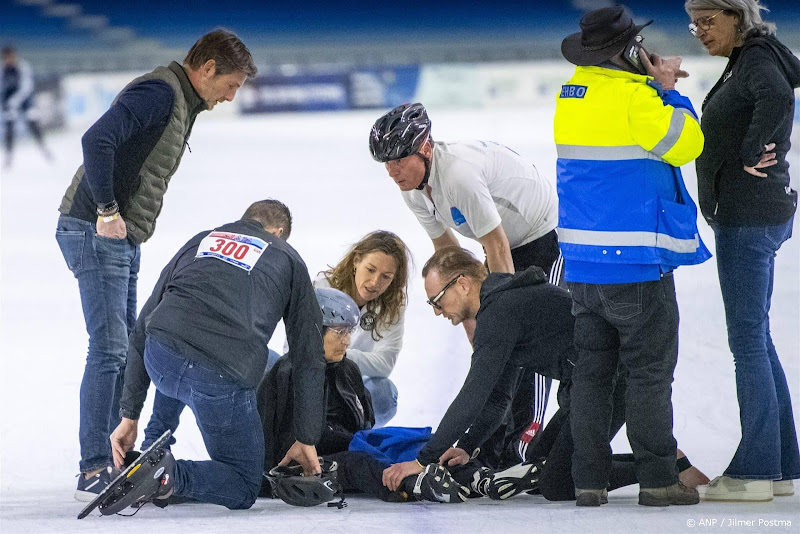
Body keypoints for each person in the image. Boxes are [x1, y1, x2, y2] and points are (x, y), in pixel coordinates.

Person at [55, 29, 257, 500]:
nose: (230, 97)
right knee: (108, 349)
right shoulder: (158, 93)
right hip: (94, 228)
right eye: (231, 84)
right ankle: (93, 466)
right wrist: (106, 210)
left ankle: (111, 456)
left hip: (119, 235)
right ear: (207, 68)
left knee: (125, 350)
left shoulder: (181, 102)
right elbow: (96, 139)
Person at [554, 5, 711, 507]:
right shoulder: (637, 100)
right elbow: (688, 144)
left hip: (581, 267)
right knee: (647, 375)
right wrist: (667, 89)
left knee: (593, 378)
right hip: (636, 265)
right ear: (627, 51)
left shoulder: (569, 94)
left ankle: (589, 481)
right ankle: (659, 480)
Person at [108, 199, 326, 511]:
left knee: (182, 341)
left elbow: (143, 326)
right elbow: (308, 355)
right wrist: (306, 436)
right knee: (243, 483)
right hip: (220, 376)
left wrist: (129, 416)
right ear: (278, 232)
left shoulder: (203, 239)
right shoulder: (287, 257)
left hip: (160, 358)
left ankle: (152, 458)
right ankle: (169, 475)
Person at [369, 107, 561, 455]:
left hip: (543, 235)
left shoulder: (458, 174)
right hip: (505, 241)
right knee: (496, 351)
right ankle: (494, 439)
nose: (392, 171)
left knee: (526, 339)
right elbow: (449, 259)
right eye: (386, 162)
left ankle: (522, 441)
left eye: (399, 159)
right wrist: (479, 334)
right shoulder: (412, 189)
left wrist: (493, 328)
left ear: (425, 148)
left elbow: (496, 245)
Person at [684, 0, 799, 501]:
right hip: (755, 215)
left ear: (736, 16)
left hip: (749, 218)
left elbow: (776, 99)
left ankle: (755, 472)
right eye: (694, 24)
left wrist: (757, 148)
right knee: (757, 338)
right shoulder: (749, 58)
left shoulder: (754, 58)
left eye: (709, 21)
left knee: (747, 341)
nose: (700, 32)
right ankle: (781, 465)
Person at [381, 247, 575, 493]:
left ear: (462, 284)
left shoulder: (499, 311)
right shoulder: (502, 304)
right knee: (539, 467)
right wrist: (466, 445)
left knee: (556, 481)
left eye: (437, 300)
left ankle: (641, 473)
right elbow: (497, 399)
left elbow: (473, 394)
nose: (436, 311)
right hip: (585, 385)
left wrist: (424, 460)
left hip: (607, 380)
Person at [259, 286, 375, 476]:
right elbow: (282, 444)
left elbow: (365, 421)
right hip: (308, 463)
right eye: (340, 332)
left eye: (349, 332)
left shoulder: (348, 369)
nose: (347, 342)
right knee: (363, 462)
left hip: (346, 452)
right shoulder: (287, 374)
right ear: (315, 331)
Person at [313, 230, 412, 427]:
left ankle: (356, 438)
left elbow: (385, 365)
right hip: (313, 380)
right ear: (356, 261)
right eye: (371, 269)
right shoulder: (323, 288)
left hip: (351, 387)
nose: (375, 282)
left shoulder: (394, 305)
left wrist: (338, 353)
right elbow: (295, 348)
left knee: (385, 393)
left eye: (386, 276)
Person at [1, 46, 51, 168]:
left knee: (33, 125)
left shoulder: (23, 67)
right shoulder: (2, 69)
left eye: (11, 56)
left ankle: (44, 150)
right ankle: (9, 157)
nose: (9, 59)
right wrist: (6, 103)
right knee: (9, 127)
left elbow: (26, 88)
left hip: (25, 101)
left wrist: (15, 100)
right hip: (9, 101)